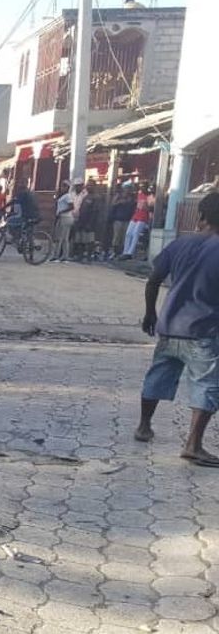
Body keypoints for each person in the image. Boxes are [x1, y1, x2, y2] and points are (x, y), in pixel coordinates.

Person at [134, 195, 219, 467]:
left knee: (157, 375)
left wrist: (150, 312)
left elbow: (153, 280)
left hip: (169, 326)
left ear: (202, 217)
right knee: (206, 385)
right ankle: (193, 445)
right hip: (203, 330)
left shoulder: (179, 244)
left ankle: (144, 427)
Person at [121, 183, 154, 260]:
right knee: (128, 233)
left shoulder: (149, 197)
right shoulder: (139, 195)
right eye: (141, 187)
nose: (142, 189)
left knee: (136, 233)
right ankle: (125, 251)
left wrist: (146, 206)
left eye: (144, 187)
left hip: (143, 216)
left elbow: (150, 209)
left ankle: (130, 253)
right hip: (136, 215)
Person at [108, 184, 136, 260]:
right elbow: (112, 204)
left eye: (129, 189)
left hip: (127, 220)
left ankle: (123, 253)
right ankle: (114, 252)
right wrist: (120, 202)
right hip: (118, 220)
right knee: (116, 237)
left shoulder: (132, 198)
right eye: (126, 188)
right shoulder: (119, 196)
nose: (128, 190)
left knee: (125, 237)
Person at [73, 181, 99, 261]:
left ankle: (89, 257)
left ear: (94, 186)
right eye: (87, 186)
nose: (88, 187)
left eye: (90, 185)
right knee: (80, 240)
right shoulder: (86, 197)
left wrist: (90, 223)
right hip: (81, 221)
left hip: (90, 222)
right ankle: (80, 256)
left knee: (89, 241)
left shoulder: (96, 197)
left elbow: (95, 212)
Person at [51, 180, 76, 263]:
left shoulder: (67, 196)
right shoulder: (63, 196)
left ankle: (58, 256)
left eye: (64, 186)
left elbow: (72, 207)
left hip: (65, 217)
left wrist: (61, 212)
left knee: (61, 238)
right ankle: (63, 256)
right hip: (63, 217)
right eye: (62, 186)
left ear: (67, 187)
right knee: (63, 238)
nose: (62, 188)